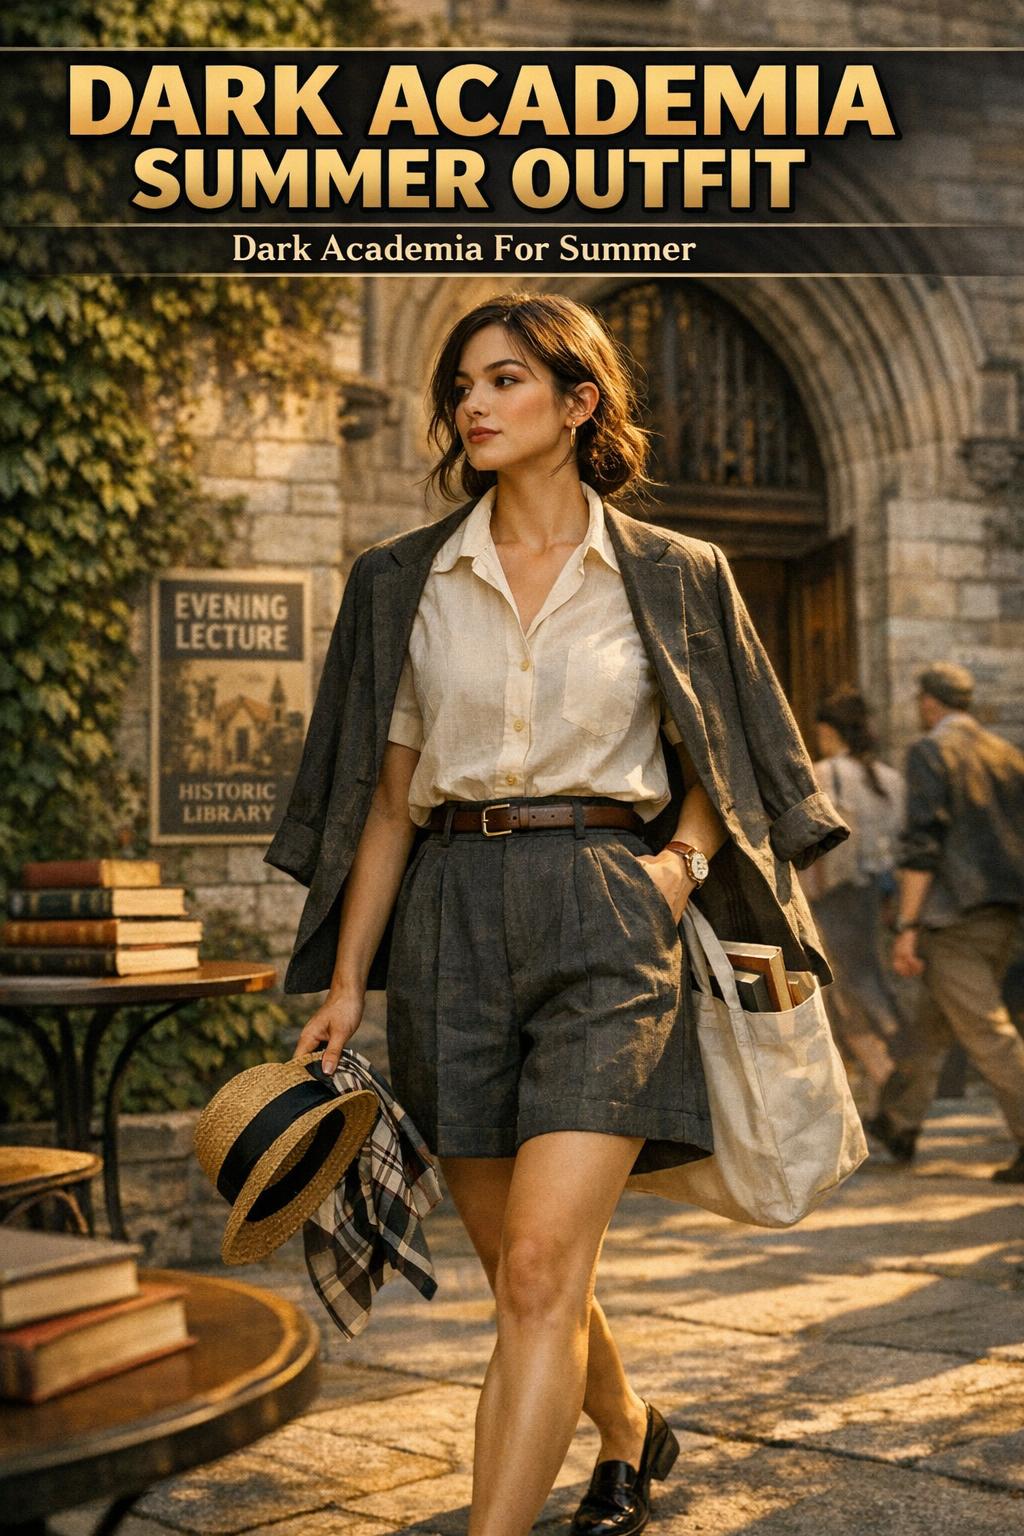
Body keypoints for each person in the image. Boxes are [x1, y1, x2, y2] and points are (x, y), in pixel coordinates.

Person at [266, 293, 848, 1536]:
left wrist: (683, 859)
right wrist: (344, 983)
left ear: (578, 403)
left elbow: (727, 746)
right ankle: (630, 1432)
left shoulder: (679, 573)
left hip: (607, 910)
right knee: (523, 1274)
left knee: (538, 1268)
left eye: (503, 379)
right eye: (460, 386)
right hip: (448, 915)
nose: (470, 404)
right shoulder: (402, 580)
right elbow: (385, 809)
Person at [866, 662, 1024, 1181]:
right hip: (1003, 915)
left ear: (930, 702)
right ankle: (898, 1122)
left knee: (988, 1035)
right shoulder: (1007, 756)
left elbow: (923, 842)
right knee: (929, 1027)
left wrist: (906, 925)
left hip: (952, 916)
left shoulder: (931, 750)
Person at [801, 687, 906, 1112]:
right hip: (878, 896)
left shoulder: (824, 774)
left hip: (832, 899)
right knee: (869, 982)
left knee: (841, 991)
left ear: (827, 730)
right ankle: (888, 1075)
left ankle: (886, 1072)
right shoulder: (891, 779)